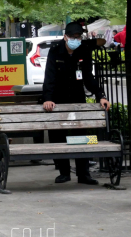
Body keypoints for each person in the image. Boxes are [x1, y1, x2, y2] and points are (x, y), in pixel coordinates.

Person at [42, 22, 111, 185]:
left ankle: (84, 174)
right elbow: (49, 77)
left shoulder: (83, 50)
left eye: (79, 37)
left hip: (77, 98)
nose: (76, 40)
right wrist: (48, 98)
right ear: (65, 37)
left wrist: (101, 95)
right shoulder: (55, 51)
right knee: (59, 137)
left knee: (81, 136)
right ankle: (64, 172)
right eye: (73, 37)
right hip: (58, 100)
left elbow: (88, 76)